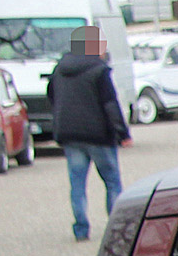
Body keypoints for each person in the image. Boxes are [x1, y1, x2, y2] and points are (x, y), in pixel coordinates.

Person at [46, 25, 131, 242]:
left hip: (70, 135)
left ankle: (81, 229)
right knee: (112, 181)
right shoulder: (99, 70)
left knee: (77, 184)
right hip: (99, 136)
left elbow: (51, 96)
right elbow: (110, 104)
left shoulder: (60, 69)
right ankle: (115, 228)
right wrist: (122, 133)